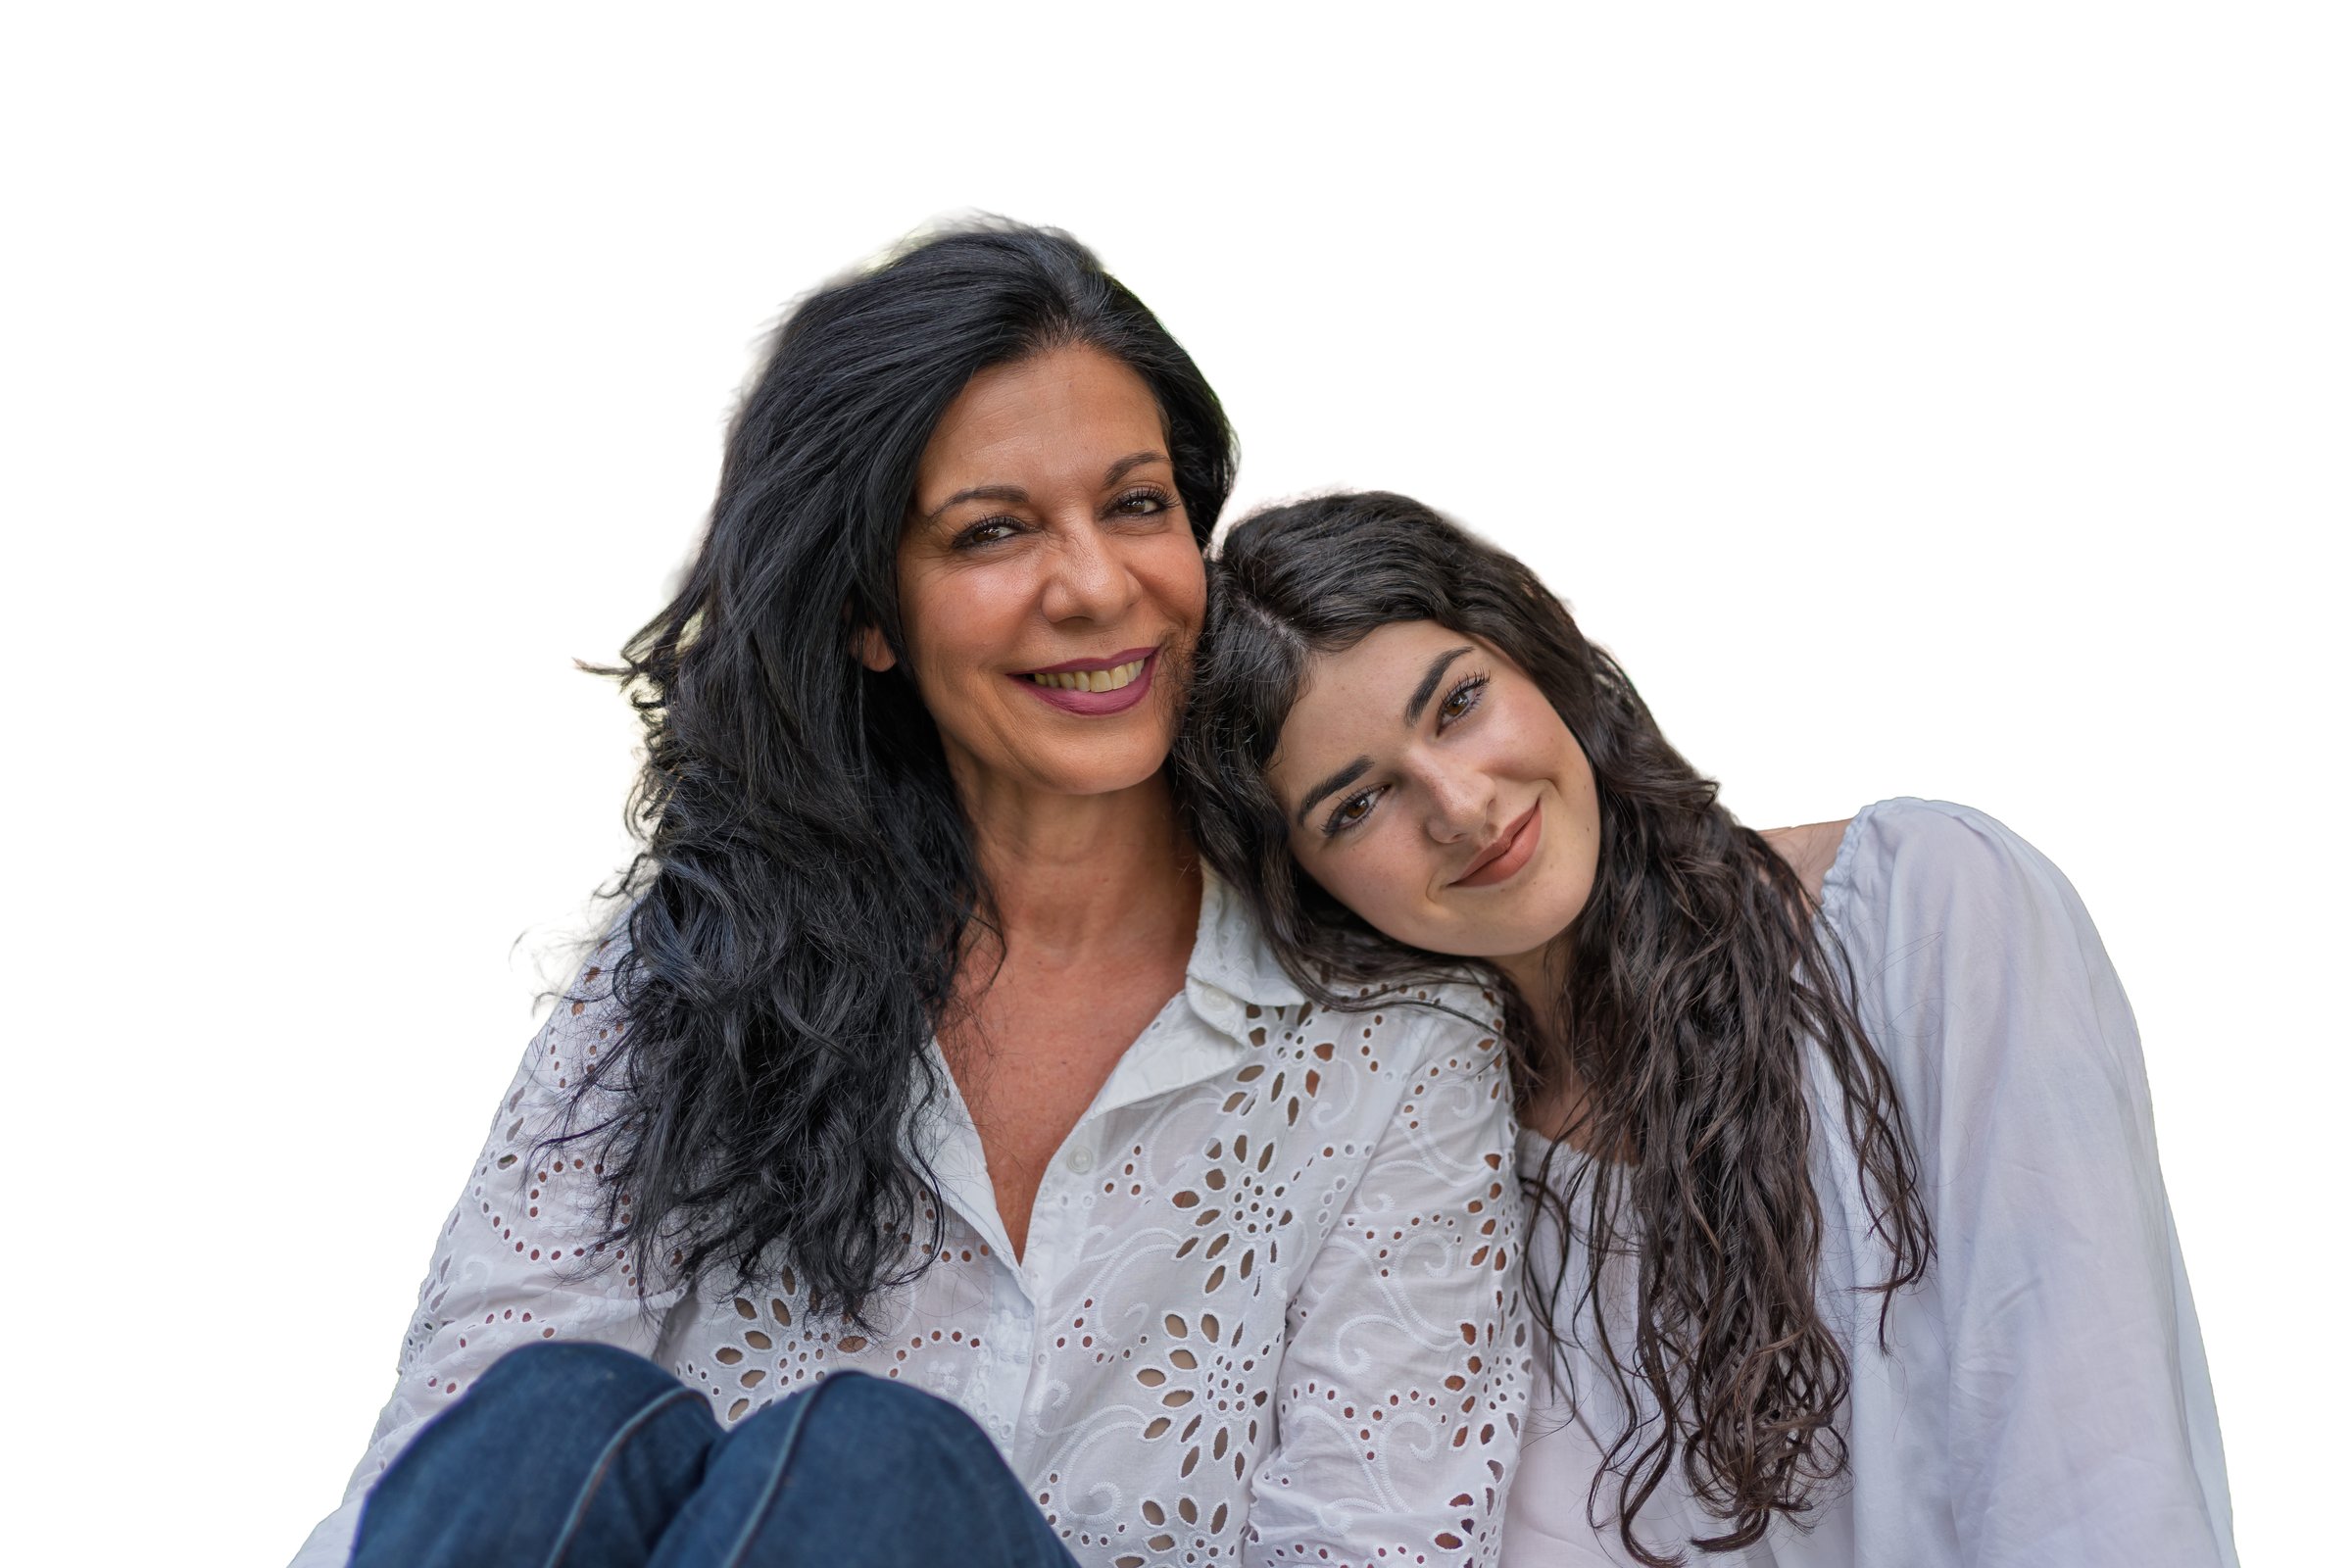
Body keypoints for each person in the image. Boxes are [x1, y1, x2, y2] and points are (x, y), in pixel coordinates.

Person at [292, 238, 1529, 1568]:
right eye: (994, 532)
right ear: (871, 616)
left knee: (868, 1467)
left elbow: (1377, 1540)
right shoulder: (700, 963)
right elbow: (449, 1445)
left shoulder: (1388, 1042)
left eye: (1136, 505)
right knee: (544, 1418)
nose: (1099, 587)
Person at [1176, 491, 2235, 1568]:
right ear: (1305, 887)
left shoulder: (1928, 911)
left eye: (1457, 704)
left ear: (1532, 651)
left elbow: (2095, 1476)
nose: (1459, 804)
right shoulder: (1429, 1173)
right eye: (1356, 806)